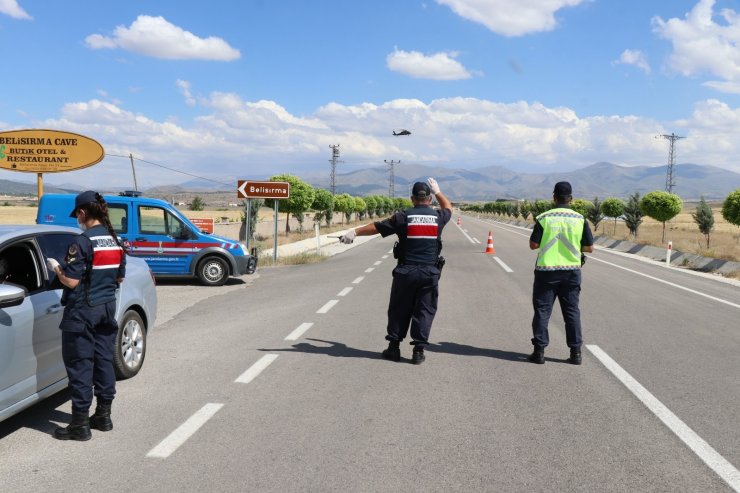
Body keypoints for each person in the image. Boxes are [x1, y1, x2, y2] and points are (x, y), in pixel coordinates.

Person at [340, 178, 452, 364]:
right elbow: (448, 207)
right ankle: (418, 351)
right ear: (430, 199)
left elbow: (376, 227)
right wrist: (439, 191)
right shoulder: (438, 217)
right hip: (429, 273)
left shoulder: (403, 217)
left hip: (406, 272)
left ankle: (393, 348)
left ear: (412, 198)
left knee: (399, 309)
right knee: (425, 310)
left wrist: (355, 232)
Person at [45, 191, 126, 440]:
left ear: (82, 213)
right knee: (103, 361)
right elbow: (120, 277)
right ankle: (103, 416)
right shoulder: (115, 240)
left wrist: (57, 268)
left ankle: (79, 424)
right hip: (106, 307)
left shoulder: (82, 242)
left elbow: (71, 281)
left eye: (77, 215)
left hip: (82, 311)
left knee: (80, 365)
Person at [528, 181, 593, 365]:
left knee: (542, 311)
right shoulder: (580, 219)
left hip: (546, 272)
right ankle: (576, 353)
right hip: (571, 271)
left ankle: (539, 352)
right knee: (572, 312)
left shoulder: (544, 218)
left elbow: (533, 245)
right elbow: (589, 248)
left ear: (554, 197)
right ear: (571, 198)